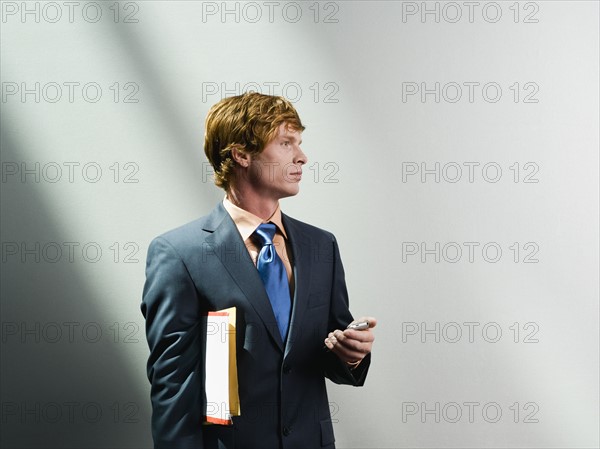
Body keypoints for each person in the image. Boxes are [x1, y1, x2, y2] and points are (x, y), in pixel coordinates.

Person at [141, 92, 376, 449]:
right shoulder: (179, 254)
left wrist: (352, 354)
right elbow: (173, 388)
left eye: (299, 142)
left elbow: (325, 352)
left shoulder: (320, 246)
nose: (302, 156)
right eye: (285, 143)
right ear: (241, 154)